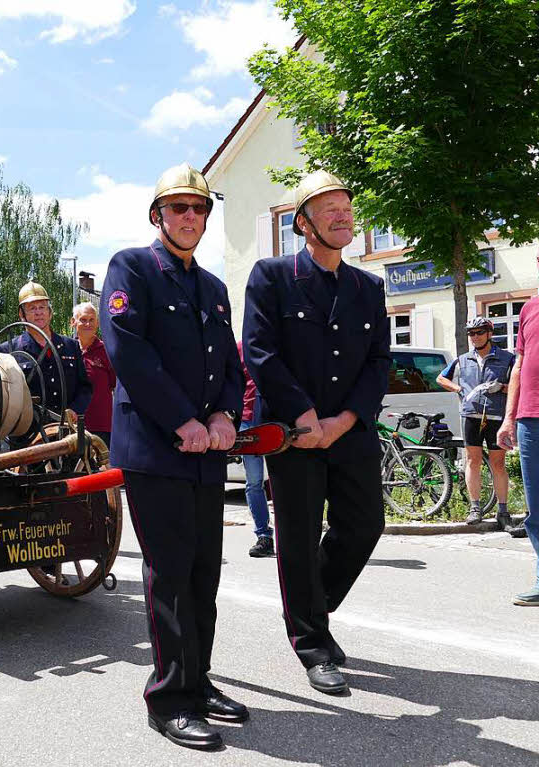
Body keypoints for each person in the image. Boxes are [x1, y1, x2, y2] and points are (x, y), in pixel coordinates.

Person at [100, 162, 245, 751]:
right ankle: (168, 699)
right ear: (158, 215)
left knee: (204, 573)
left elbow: (231, 365)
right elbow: (129, 353)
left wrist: (224, 416)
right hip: (156, 448)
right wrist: (183, 419)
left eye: (200, 209)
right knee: (171, 574)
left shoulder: (211, 286)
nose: (190, 217)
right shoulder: (132, 266)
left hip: (205, 451)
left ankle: (199, 680)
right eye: (179, 207)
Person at [244, 170, 390, 695]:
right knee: (299, 537)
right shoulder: (271, 276)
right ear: (303, 224)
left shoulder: (368, 286)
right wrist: (306, 417)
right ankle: (310, 641)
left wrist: (344, 420)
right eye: (328, 208)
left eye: (346, 207)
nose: (342, 214)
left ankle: (309, 610)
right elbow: (260, 353)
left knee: (365, 524)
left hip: (349, 430)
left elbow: (378, 364)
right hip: (291, 430)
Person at [436, 317, 515, 527]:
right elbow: (441, 378)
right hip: (470, 415)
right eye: (471, 333)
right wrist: (458, 389)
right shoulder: (462, 359)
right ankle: (475, 508)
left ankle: (503, 511)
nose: (475, 337)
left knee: (498, 463)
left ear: (489, 334)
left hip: (496, 416)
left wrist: (502, 387)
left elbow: (520, 384)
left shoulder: (507, 358)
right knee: (473, 461)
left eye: (479, 332)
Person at [0, 281, 92, 431]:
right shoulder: (9, 349)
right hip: (27, 434)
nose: (38, 312)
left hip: (67, 431)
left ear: (50, 312)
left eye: (42, 307)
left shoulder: (70, 346)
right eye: (32, 308)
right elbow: (3, 396)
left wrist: (75, 410)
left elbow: (85, 387)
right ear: (22, 314)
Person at [497, 274, 539, 606]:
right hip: (529, 420)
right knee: (536, 509)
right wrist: (508, 418)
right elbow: (519, 366)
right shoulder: (528, 309)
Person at [238, 340, 274, 557]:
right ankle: (264, 536)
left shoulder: (275, 342)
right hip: (247, 420)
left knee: (283, 482)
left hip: (274, 420)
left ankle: (295, 536)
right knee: (254, 482)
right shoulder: (240, 347)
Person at [71, 302, 114, 448]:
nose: (88, 323)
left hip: (101, 427)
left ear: (97, 323)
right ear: (73, 322)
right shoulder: (67, 351)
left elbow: (116, 385)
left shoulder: (107, 351)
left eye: (92, 319)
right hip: (72, 427)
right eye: (83, 319)